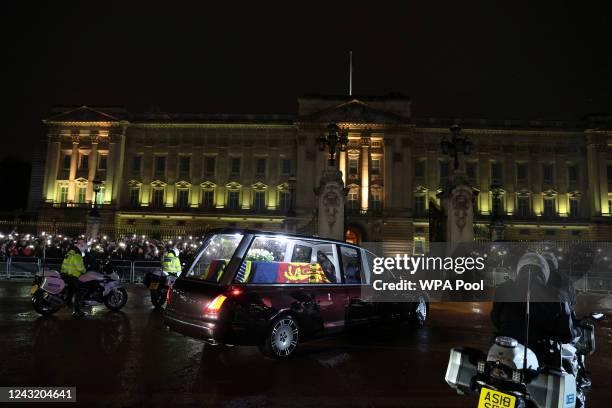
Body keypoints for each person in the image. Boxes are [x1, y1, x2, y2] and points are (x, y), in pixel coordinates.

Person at [491, 252, 575, 363]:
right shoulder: (557, 295)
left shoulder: (503, 289)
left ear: (519, 268)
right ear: (545, 271)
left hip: (502, 350)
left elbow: (495, 319)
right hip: (537, 356)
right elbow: (566, 335)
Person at [60, 243, 86, 316]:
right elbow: (80, 268)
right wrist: (85, 270)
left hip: (65, 275)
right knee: (79, 292)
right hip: (72, 276)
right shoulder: (77, 256)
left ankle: (68, 304)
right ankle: (77, 311)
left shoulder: (68, 254)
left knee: (71, 290)